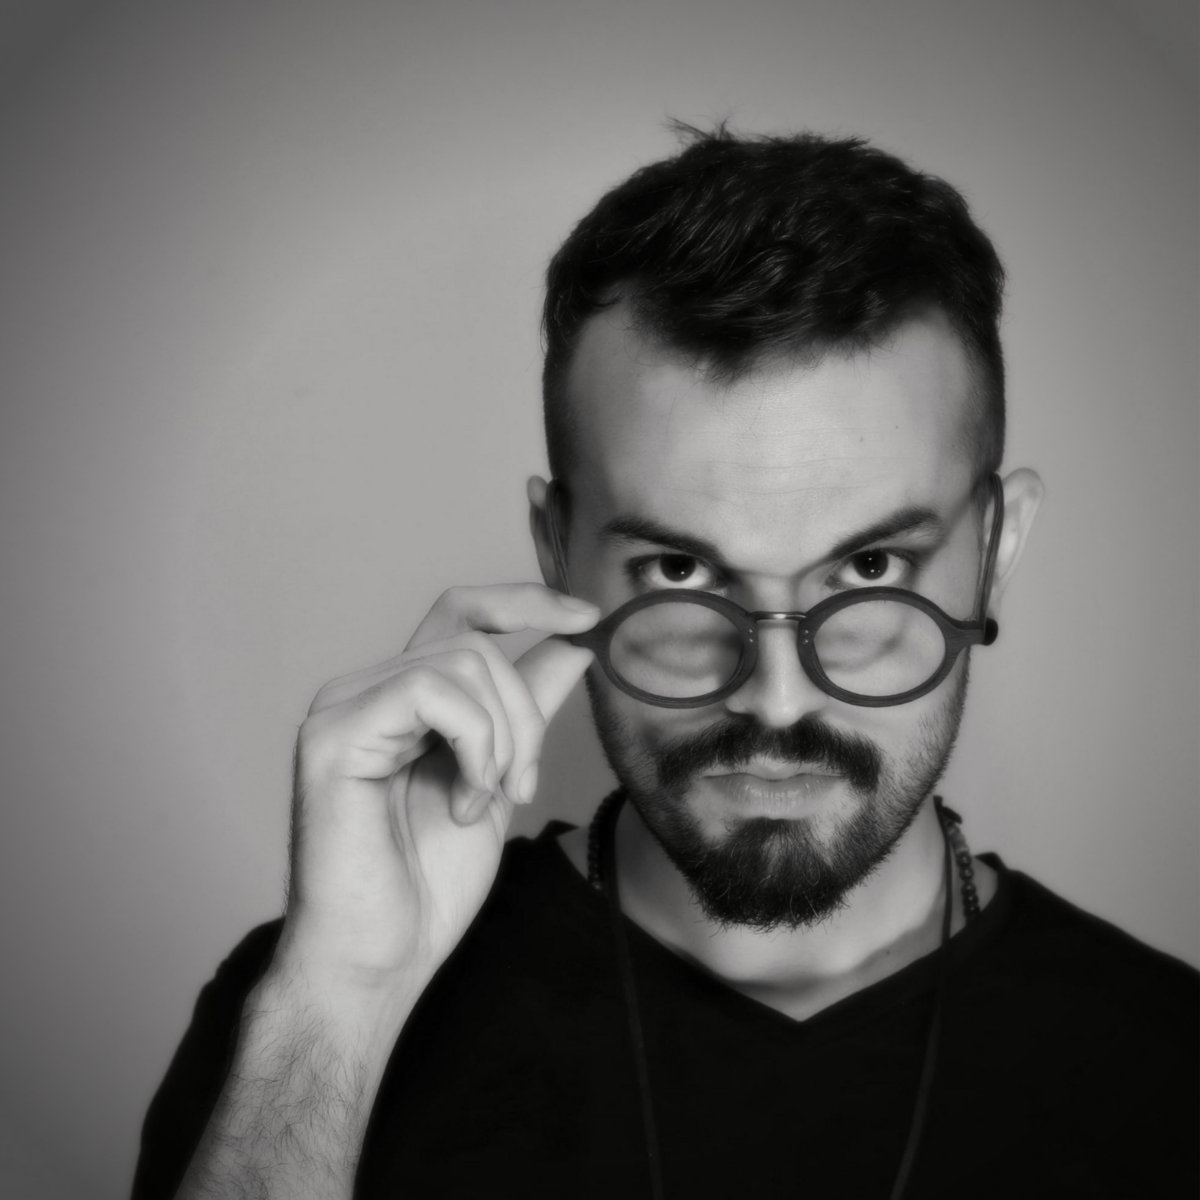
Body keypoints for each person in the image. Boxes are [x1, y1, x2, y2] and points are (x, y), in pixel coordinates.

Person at [133, 128, 1197, 1200]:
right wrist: (343, 1000)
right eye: (680, 571)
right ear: (557, 551)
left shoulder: (1172, 1064)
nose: (777, 699)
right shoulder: (306, 1026)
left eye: (871, 567)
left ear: (998, 551)